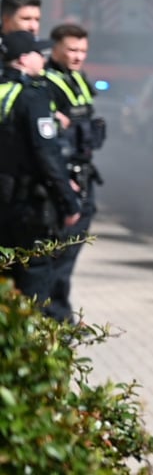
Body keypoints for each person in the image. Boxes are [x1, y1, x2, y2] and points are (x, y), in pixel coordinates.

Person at [0, 31, 81, 312]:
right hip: (28, 210)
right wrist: (69, 202)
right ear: (23, 59)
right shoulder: (32, 96)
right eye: (37, 53)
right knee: (34, 287)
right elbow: (47, 155)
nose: (43, 58)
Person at [43, 23, 105, 322]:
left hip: (83, 176)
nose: (78, 56)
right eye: (72, 50)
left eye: (83, 50)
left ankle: (58, 314)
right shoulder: (46, 83)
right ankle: (54, 316)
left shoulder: (78, 79)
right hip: (63, 180)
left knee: (70, 252)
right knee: (57, 254)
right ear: (55, 48)